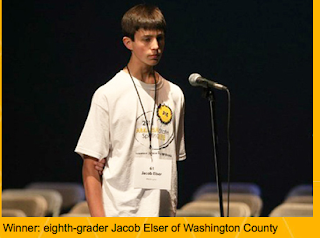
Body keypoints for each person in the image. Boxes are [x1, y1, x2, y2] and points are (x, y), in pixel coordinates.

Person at [75, 4, 186, 217]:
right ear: (129, 43)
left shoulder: (175, 95)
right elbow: (90, 166)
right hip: (122, 215)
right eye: (146, 39)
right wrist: (102, 226)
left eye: (159, 38)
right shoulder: (108, 94)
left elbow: (172, 159)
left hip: (163, 217)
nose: (155, 46)